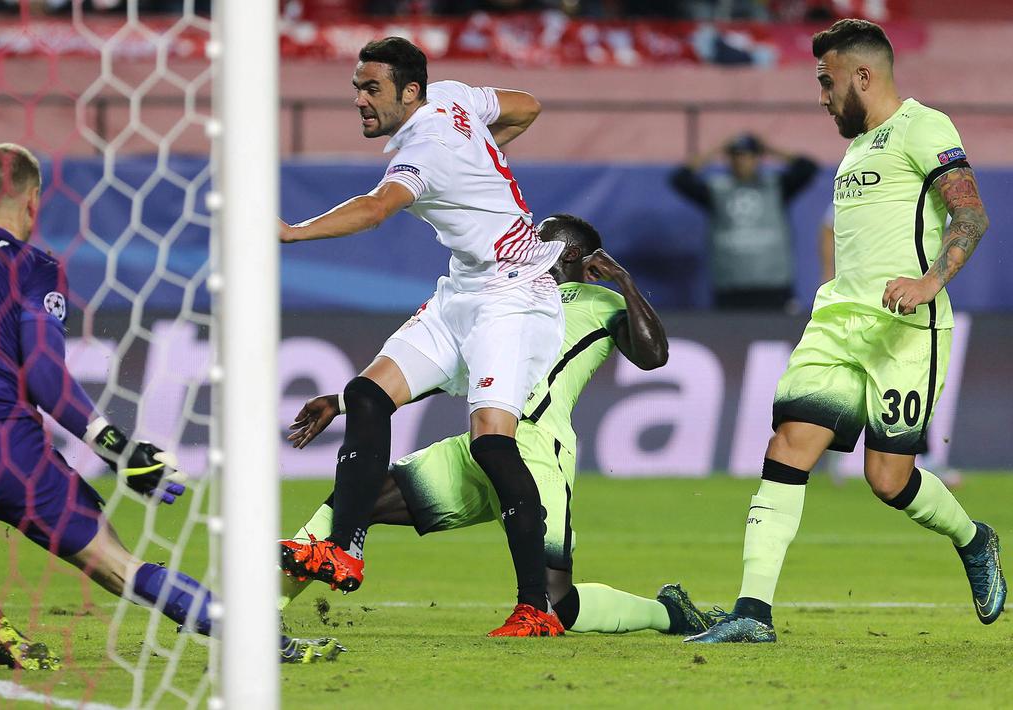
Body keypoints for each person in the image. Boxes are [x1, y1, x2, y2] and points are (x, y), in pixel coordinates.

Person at [0, 143, 342, 667]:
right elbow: (46, 377)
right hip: (13, 451)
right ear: (33, 199)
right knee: (122, 568)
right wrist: (118, 447)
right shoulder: (35, 267)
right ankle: (264, 646)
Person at [688, 19, 1003, 644]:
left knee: (887, 479)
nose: (822, 95)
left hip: (906, 328)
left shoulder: (924, 127)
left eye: (827, 82)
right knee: (789, 441)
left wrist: (928, 283)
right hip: (837, 322)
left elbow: (970, 213)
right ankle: (753, 612)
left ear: (864, 75)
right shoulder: (856, 149)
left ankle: (974, 537)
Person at [278, 37, 590, 637]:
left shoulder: (426, 144)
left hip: (515, 296)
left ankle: (535, 608)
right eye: (357, 89)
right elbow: (527, 105)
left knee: (493, 445)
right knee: (367, 396)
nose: (361, 102)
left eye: (372, 90)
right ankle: (343, 548)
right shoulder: (452, 98)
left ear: (410, 91)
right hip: (463, 290)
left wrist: (291, 233)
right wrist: (480, 160)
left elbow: (374, 210)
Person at [280, 215, 720, 637]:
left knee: (557, 603)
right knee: (353, 501)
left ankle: (667, 613)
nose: (530, 245)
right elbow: (450, 366)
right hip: (481, 441)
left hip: (535, 450)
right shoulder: (504, 294)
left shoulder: (598, 302)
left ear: (574, 257)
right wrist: (345, 402)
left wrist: (623, 282)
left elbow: (654, 356)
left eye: (544, 241)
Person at [669, 132, 819, 310]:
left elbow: (808, 168)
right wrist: (716, 150)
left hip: (774, 288)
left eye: (748, 156)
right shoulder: (716, 190)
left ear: (758, 158)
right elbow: (679, 178)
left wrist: (770, 149)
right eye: (736, 156)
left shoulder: (777, 186)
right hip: (730, 288)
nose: (741, 161)